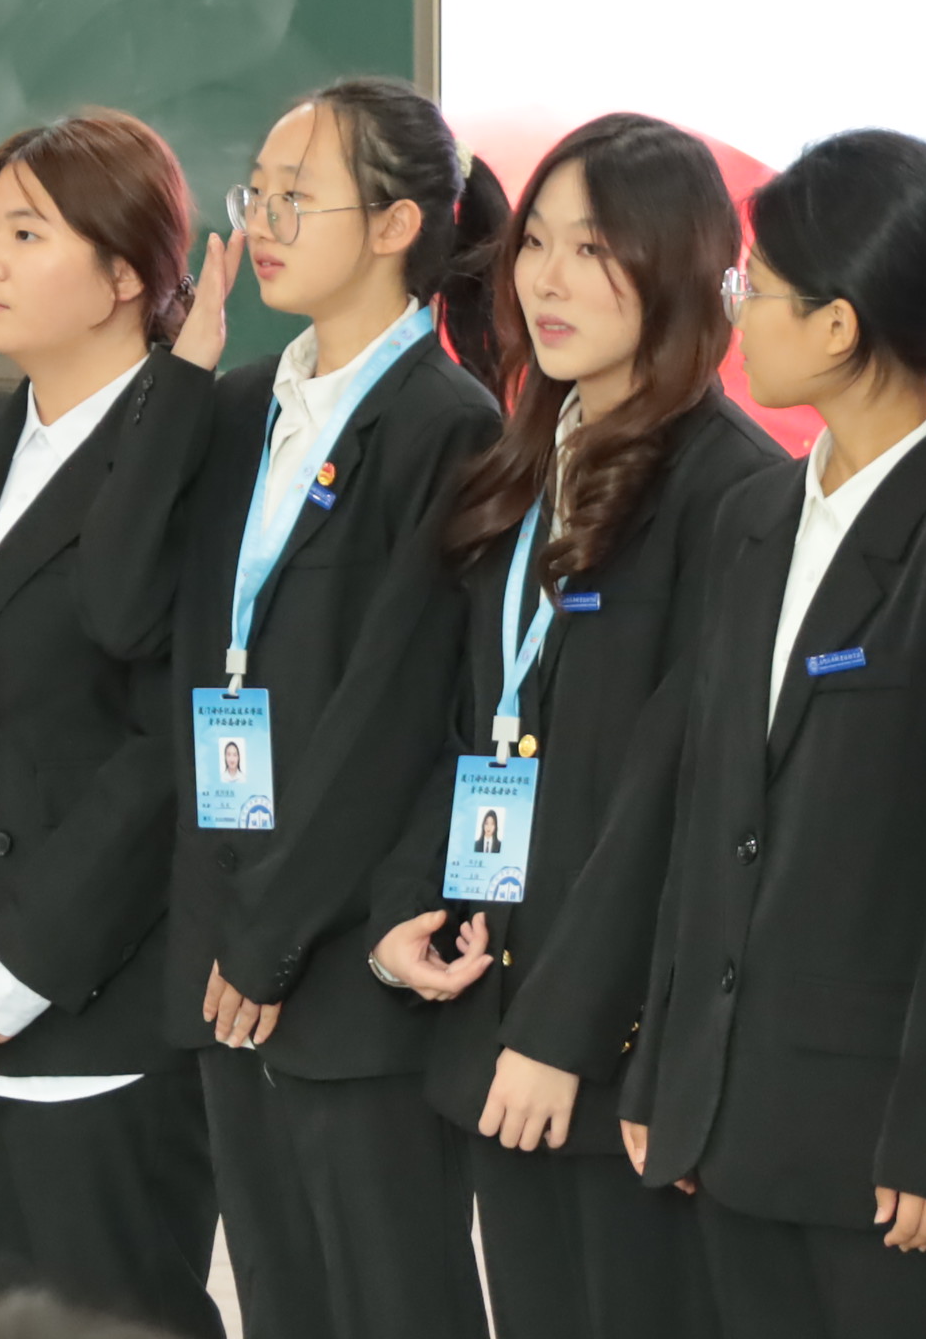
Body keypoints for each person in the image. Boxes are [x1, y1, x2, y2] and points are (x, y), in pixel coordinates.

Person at [541, 128, 926, 1339]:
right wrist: (670, 1071)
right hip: (734, 1128)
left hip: (887, 1162)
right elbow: (704, 818)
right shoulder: (755, 516)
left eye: (759, 288)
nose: (737, 312)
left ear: (836, 325)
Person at [371, 115, 786, 1339]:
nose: (545, 279)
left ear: (675, 264)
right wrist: (409, 901)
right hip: (492, 1011)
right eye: (535, 243)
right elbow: (469, 721)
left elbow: (675, 797)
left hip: (617, 1054)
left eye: (591, 248)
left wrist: (563, 1029)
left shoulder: (733, 488)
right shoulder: (528, 453)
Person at [0, 110, 225, 1339]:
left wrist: (25, 956)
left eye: (28, 233)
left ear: (124, 275)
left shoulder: (189, 448)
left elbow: (170, 744)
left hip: (96, 996)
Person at [160, 76, 506, 1339]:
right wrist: (177, 378)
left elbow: (391, 718)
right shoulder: (241, 401)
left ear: (396, 223)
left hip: (350, 956)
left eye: (294, 197)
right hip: (228, 944)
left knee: (390, 1299)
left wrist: (274, 933)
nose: (259, 221)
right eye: (255, 192)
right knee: (280, 1300)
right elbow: (151, 620)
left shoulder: (444, 424)